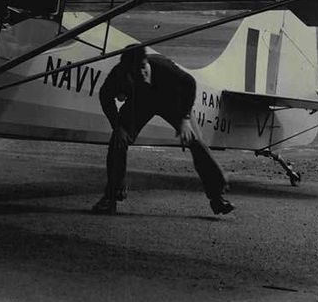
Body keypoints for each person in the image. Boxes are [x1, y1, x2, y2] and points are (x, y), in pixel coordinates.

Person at [92, 45, 235, 215]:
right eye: (136, 72)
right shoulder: (120, 73)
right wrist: (117, 126)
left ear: (146, 61)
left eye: (143, 68)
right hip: (141, 102)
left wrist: (185, 119)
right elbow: (105, 96)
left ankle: (217, 197)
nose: (142, 74)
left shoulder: (163, 67)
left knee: (194, 140)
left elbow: (190, 83)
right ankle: (111, 197)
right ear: (128, 72)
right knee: (118, 139)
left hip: (170, 99)